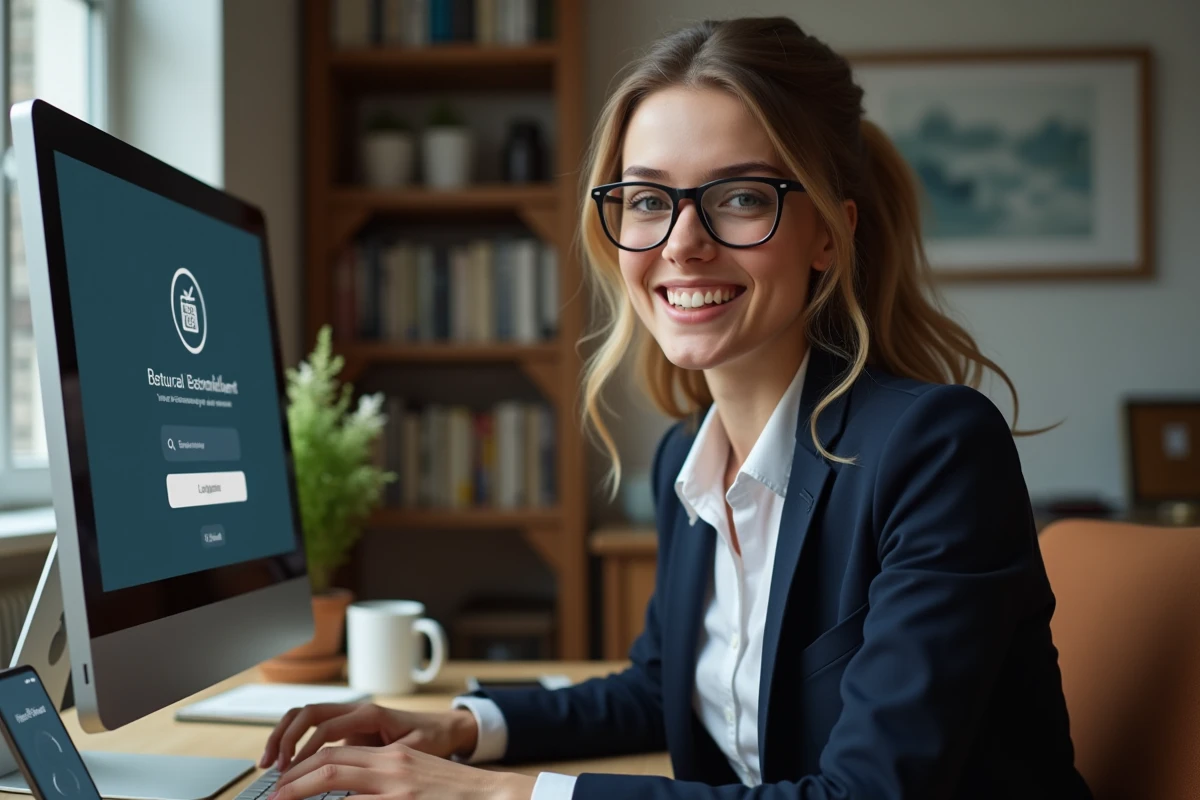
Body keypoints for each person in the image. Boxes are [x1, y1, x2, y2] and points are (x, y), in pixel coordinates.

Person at [261, 16, 1093, 800]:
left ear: (828, 237)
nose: (681, 243)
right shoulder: (685, 461)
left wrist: (496, 795)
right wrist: (452, 729)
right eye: (649, 200)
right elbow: (664, 686)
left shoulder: (935, 450)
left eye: (738, 197)